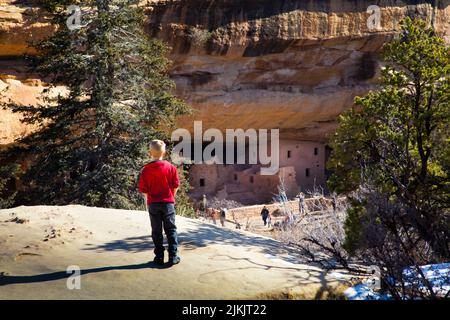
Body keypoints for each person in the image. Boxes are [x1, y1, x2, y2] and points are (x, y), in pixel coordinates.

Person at [139, 140, 181, 266]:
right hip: (168, 203)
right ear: (165, 152)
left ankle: (159, 257)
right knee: (171, 229)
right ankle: (173, 256)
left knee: (156, 231)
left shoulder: (146, 170)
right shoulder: (171, 167)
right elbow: (176, 185)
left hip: (153, 203)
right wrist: (171, 197)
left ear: (149, 153)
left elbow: (143, 189)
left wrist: (150, 199)